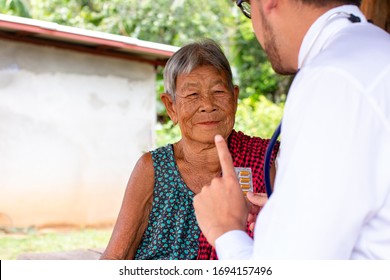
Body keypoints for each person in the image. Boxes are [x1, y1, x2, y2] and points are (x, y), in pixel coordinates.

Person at [194, 0, 390, 259]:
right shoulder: (376, 51)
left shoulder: (330, 78)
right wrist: (283, 216)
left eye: (248, 7)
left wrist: (226, 231)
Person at [100, 39, 279, 260]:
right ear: (171, 107)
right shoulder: (152, 170)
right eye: (193, 95)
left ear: (234, 98)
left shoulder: (264, 161)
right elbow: (116, 257)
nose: (207, 104)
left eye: (218, 91)